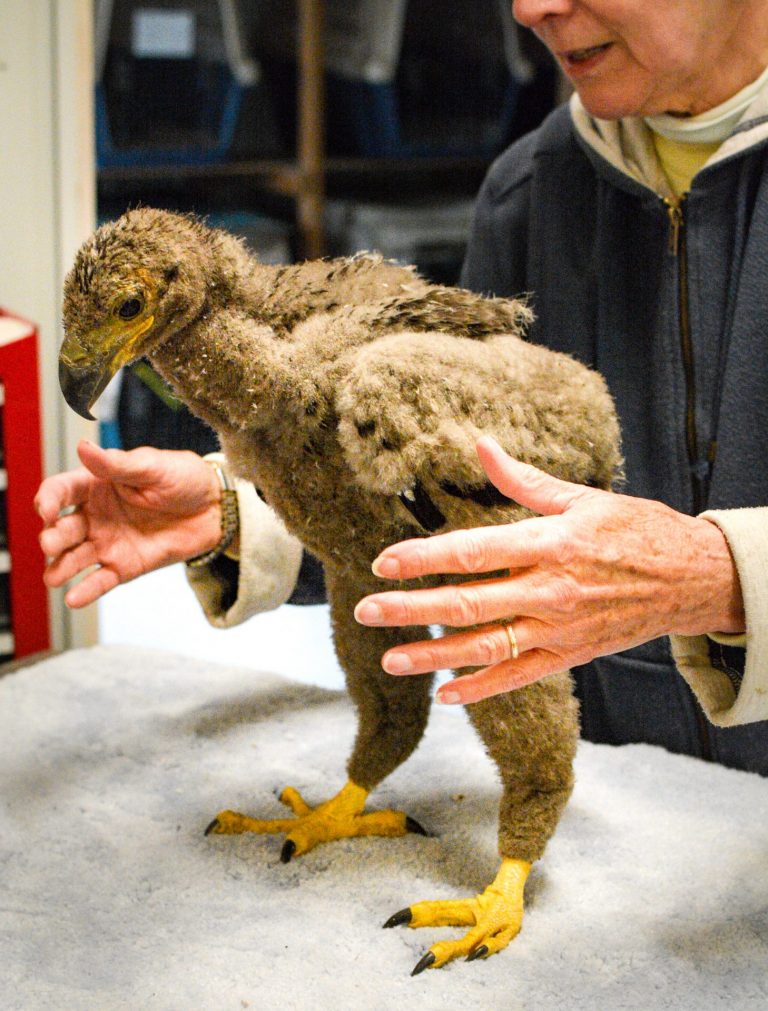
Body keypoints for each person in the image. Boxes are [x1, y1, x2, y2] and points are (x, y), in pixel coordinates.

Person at [37, 0, 768, 775]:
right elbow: (456, 509)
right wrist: (252, 509)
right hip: (633, 829)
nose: (531, 9)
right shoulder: (531, 189)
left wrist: (720, 576)